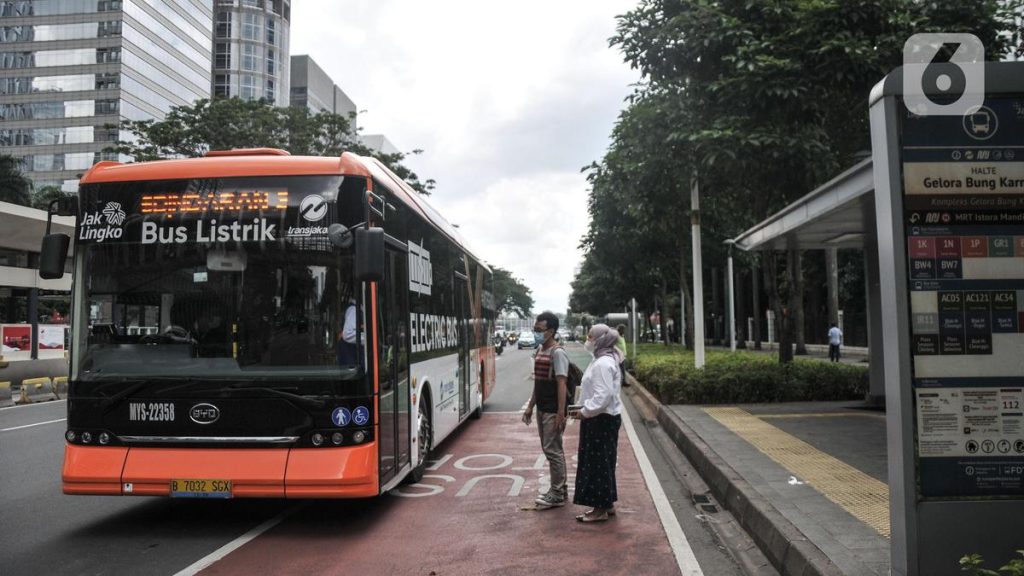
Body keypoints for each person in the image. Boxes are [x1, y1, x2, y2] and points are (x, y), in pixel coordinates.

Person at [570, 323, 623, 523]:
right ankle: (607, 503)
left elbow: (603, 396)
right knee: (604, 462)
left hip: (599, 419)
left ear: (600, 340)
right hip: (602, 418)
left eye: (591, 336)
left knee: (597, 464)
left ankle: (599, 509)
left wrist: (584, 411)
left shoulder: (602, 363)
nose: (588, 340)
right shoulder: (603, 359)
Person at [522, 310, 570, 510]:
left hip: (552, 409)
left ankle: (557, 493)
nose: (536, 333)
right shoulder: (540, 351)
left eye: (539, 330)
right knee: (550, 449)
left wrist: (561, 413)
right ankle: (561, 489)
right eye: (535, 329)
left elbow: (562, 384)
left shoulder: (557, 353)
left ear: (550, 331)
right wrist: (530, 407)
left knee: (553, 450)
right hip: (542, 408)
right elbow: (539, 383)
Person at [337, 297, 361, 366]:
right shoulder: (354, 310)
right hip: (350, 359)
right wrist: (368, 338)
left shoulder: (358, 309)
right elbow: (347, 334)